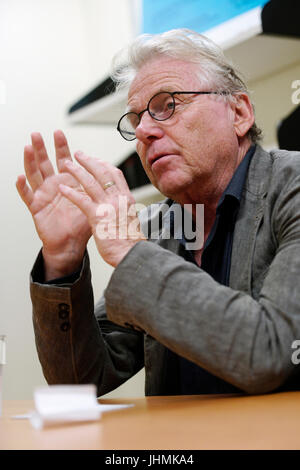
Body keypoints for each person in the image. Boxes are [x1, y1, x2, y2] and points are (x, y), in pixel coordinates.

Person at [16, 29, 300, 396]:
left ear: (239, 113)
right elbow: (81, 380)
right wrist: (63, 260)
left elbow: (273, 354)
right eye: (135, 121)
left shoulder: (292, 187)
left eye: (167, 105)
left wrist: (131, 252)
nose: (145, 131)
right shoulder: (159, 226)